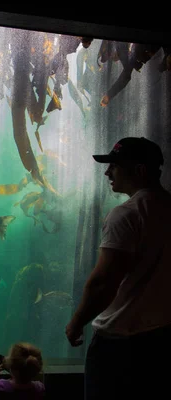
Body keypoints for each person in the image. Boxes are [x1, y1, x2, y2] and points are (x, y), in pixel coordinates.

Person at [66, 136, 171, 400]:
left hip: (119, 345)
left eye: (115, 165)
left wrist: (77, 321)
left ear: (139, 170)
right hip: (161, 338)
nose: (107, 171)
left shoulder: (126, 214)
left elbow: (104, 282)